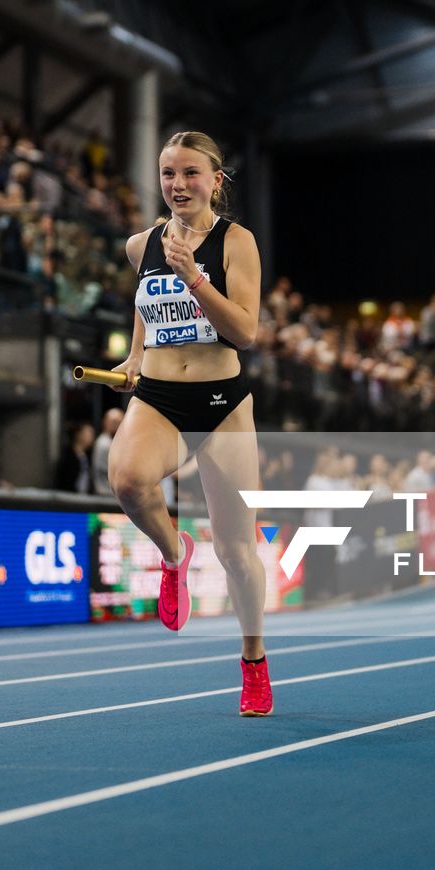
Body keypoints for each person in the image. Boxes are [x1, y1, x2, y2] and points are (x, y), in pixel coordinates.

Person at [106, 130, 272, 716]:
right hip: (158, 397)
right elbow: (146, 300)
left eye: (191, 174)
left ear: (215, 181)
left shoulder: (236, 242)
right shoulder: (141, 244)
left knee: (235, 550)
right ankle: (174, 554)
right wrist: (134, 354)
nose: (178, 185)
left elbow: (246, 333)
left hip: (222, 404)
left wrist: (195, 277)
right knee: (126, 480)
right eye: (168, 173)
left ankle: (253, 662)